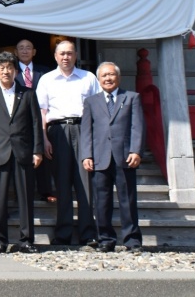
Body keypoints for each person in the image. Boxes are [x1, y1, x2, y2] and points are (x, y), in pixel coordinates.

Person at [36, 40, 101, 246]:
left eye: (69, 53)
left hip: (83, 129)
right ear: (55, 56)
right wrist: (44, 138)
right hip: (57, 132)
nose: (66, 57)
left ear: (75, 55)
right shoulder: (47, 79)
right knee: (62, 184)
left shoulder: (88, 78)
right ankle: (63, 233)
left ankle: (87, 233)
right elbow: (42, 112)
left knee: (85, 184)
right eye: (62, 53)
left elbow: (98, 108)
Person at [0, 52, 43, 254]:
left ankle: (26, 240)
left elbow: (35, 124)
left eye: (9, 67)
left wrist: (37, 150)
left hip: (23, 152)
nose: (6, 71)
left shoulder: (28, 93)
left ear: (16, 70)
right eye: (1, 68)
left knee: (25, 198)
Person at [81, 62, 145, 253]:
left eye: (111, 75)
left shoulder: (132, 97)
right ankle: (105, 240)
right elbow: (86, 130)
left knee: (128, 201)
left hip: (124, 156)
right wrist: (86, 154)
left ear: (118, 77)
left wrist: (136, 150)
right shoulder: (91, 101)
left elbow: (137, 126)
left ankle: (132, 241)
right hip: (100, 157)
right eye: (104, 76)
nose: (108, 79)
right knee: (102, 202)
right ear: (98, 80)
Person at [15, 39, 55, 204]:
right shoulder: (10, 71)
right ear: (15, 52)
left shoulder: (44, 72)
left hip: (41, 117)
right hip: (19, 119)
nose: (25, 51)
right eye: (21, 48)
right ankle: (21, 194)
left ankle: (46, 191)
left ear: (34, 52)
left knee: (42, 154)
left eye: (28, 48)